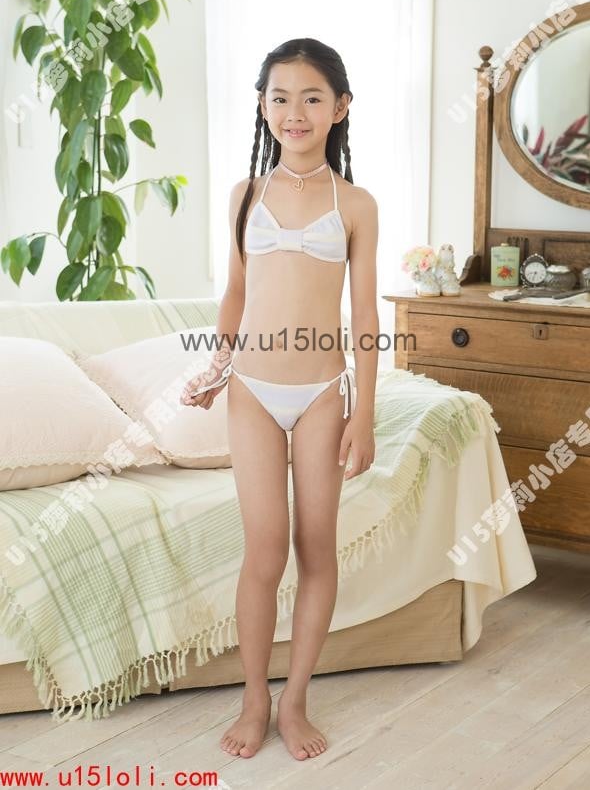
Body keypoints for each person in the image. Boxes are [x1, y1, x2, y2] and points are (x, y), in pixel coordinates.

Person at [180, 37, 379, 761]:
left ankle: (294, 699)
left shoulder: (355, 204)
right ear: (263, 106)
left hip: (324, 393)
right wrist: (217, 368)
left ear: (340, 107)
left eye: (312, 98)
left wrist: (364, 412)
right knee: (264, 550)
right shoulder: (246, 195)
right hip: (253, 394)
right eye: (280, 97)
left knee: (315, 548)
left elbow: (365, 315)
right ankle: (254, 699)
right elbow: (236, 294)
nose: (294, 112)